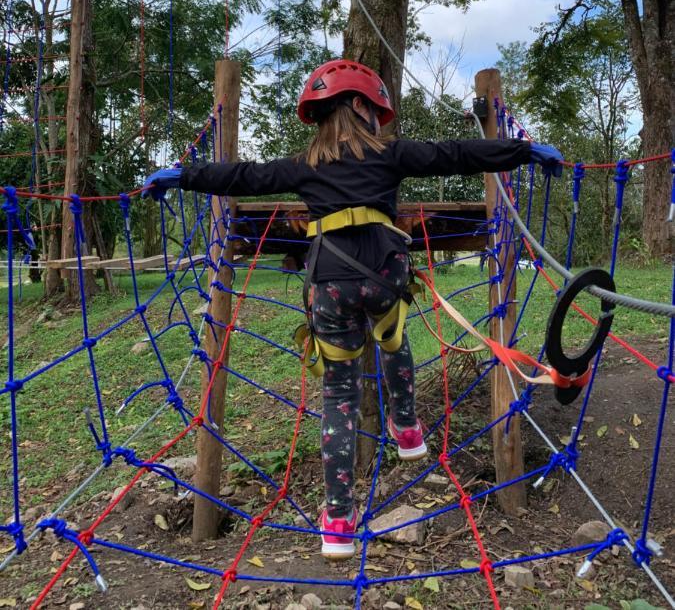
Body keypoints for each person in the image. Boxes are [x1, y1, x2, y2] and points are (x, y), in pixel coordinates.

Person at [142, 59, 563, 558]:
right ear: (363, 106)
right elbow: (456, 154)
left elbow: (241, 177)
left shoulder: (303, 165)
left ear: (322, 115)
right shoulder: (392, 152)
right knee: (393, 337)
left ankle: (338, 521)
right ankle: (406, 427)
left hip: (331, 284)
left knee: (338, 395)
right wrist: (523, 151)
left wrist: (182, 176)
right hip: (384, 276)